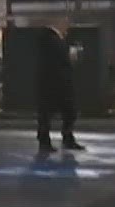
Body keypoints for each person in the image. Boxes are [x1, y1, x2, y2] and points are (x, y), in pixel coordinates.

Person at [35, 20, 84, 153]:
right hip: (53, 83)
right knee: (48, 113)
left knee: (67, 111)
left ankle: (63, 138)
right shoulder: (50, 38)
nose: (67, 28)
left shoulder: (56, 39)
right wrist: (69, 57)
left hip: (58, 83)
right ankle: (47, 141)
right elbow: (58, 59)